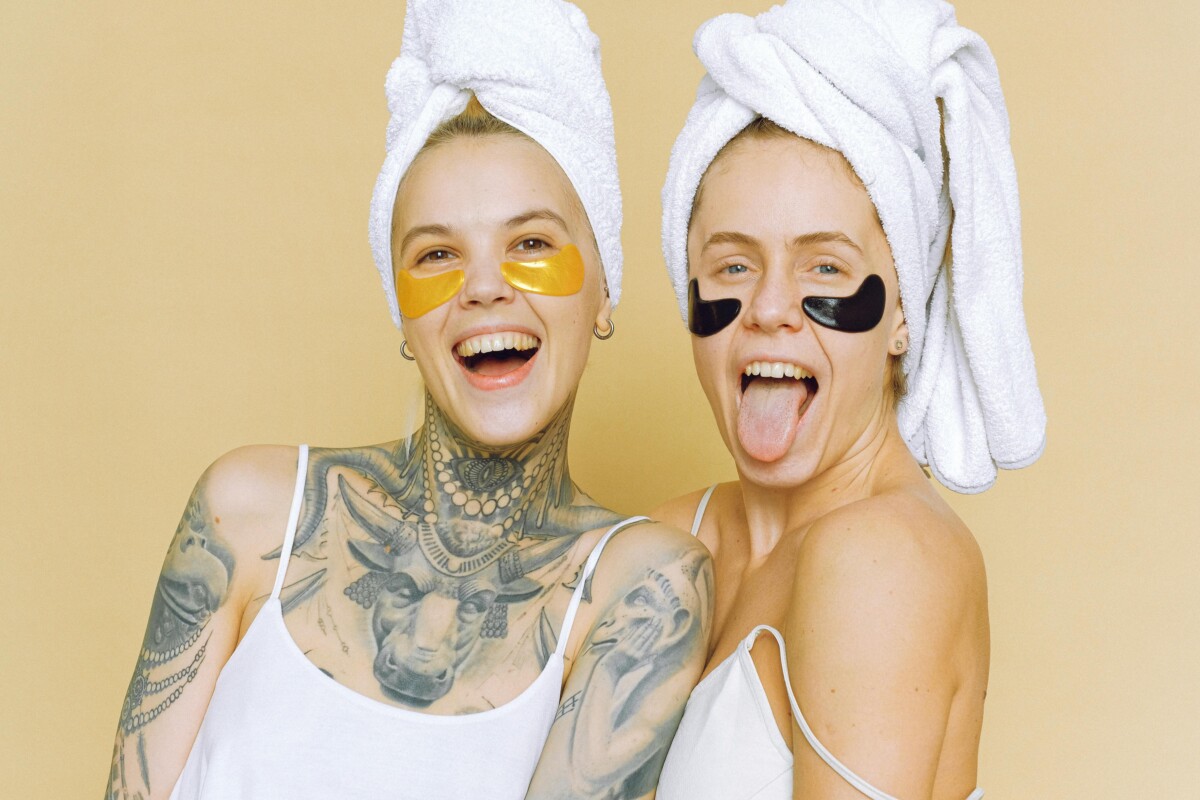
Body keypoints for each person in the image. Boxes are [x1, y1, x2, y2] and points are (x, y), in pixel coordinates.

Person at [105, 1, 711, 798]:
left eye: (531, 243)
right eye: (436, 254)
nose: (483, 287)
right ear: (402, 314)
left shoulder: (643, 589)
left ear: (603, 291)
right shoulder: (248, 513)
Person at [653, 1, 1045, 798]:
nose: (769, 307)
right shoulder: (672, 539)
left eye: (824, 267)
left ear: (901, 314)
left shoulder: (880, 557)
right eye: (733, 266)